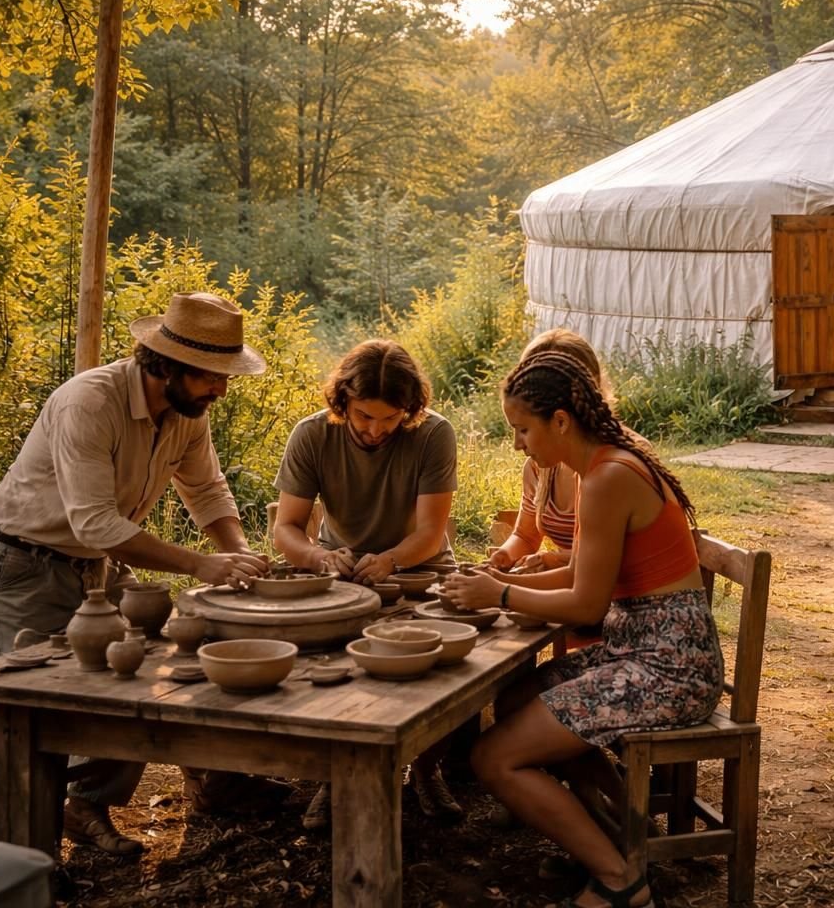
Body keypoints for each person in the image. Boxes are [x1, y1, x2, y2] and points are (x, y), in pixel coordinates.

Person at [0, 292, 279, 856]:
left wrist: (240, 557)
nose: (222, 388)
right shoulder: (89, 402)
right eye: (211, 376)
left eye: (226, 376)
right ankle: (21, 861)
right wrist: (198, 563)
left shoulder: (188, 413)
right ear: (165, 365)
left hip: (94, 565)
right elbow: (94, 522)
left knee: (133, 681)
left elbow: (207, 489)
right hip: (25, 564)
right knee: (29, 714)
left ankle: (85, 805)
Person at [443, 349, 724, 908]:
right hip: (642, 649)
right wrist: (512, 576)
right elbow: (582, 570)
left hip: (668, 669)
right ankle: (625, 839)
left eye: (522, 430)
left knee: (492, 757)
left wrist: (496, 594)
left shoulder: (606, 478)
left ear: (561, 422)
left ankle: (621, 881)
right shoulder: (608, 464)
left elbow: (587, 603)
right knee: (520, 695)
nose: (519, 443)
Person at [271, 339, 458, 827]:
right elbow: (287, 527)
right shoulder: (312, 435)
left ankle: (427, 768)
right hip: (344, 568)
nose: (376, 430)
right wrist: (318, 556)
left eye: (390, 419)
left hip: (420, 567)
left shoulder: (434, 435)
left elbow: (430, 532)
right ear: (341, 404)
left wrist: (392, 561)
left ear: (410, 410)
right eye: (364, 417)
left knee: (440, 661)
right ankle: (336, 778)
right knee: (331, 659)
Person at [486, 329, 611, 651]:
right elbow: (527, 536)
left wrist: (501, 586)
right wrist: (504, 559)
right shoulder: (543, 464)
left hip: (610, 616)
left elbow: (600, 578)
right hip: (572, 599)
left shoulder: (608, 469)